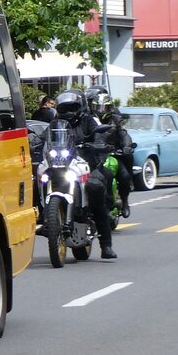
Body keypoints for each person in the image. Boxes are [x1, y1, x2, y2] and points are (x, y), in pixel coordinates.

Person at [44, 89, 116, 259]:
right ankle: (44, 218)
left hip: (88, 164)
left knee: (95, 187)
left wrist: (98, 143)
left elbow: (100, 134)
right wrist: (34, 142)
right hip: (61, 164)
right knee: (37, 177)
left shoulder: (88, 120)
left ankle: (106, 245)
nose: (68, 111)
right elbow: (44, 137)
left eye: (72, 107)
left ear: (80, 107)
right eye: (65, 108)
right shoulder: (56, 123)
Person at [86, 87, 135, 218]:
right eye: (99, 108)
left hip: (112, 153)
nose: (101, 111)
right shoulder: (89, 119)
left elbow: (124, 134)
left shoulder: (116, 118)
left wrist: (126, 146)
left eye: (105, 108)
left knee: (124, 176)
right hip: (94, 155)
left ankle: (125, 201)